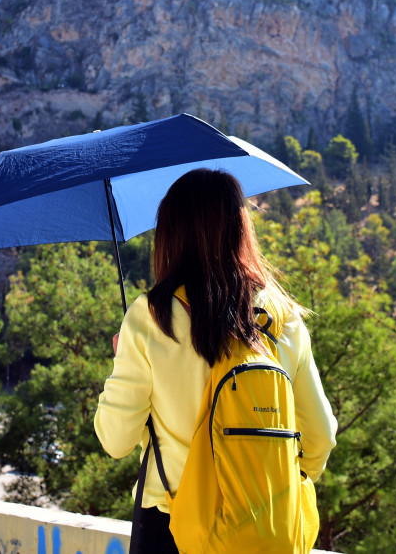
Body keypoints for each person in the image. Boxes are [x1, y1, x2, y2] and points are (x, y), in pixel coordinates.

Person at [94, 169, 338, 553]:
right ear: (241, 228)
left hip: (172, 528)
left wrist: (120, 361)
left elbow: (115, 440)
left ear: (172, 233)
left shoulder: (150, 316)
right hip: (266, 534)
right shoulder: (283, 315)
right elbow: (320, 437)